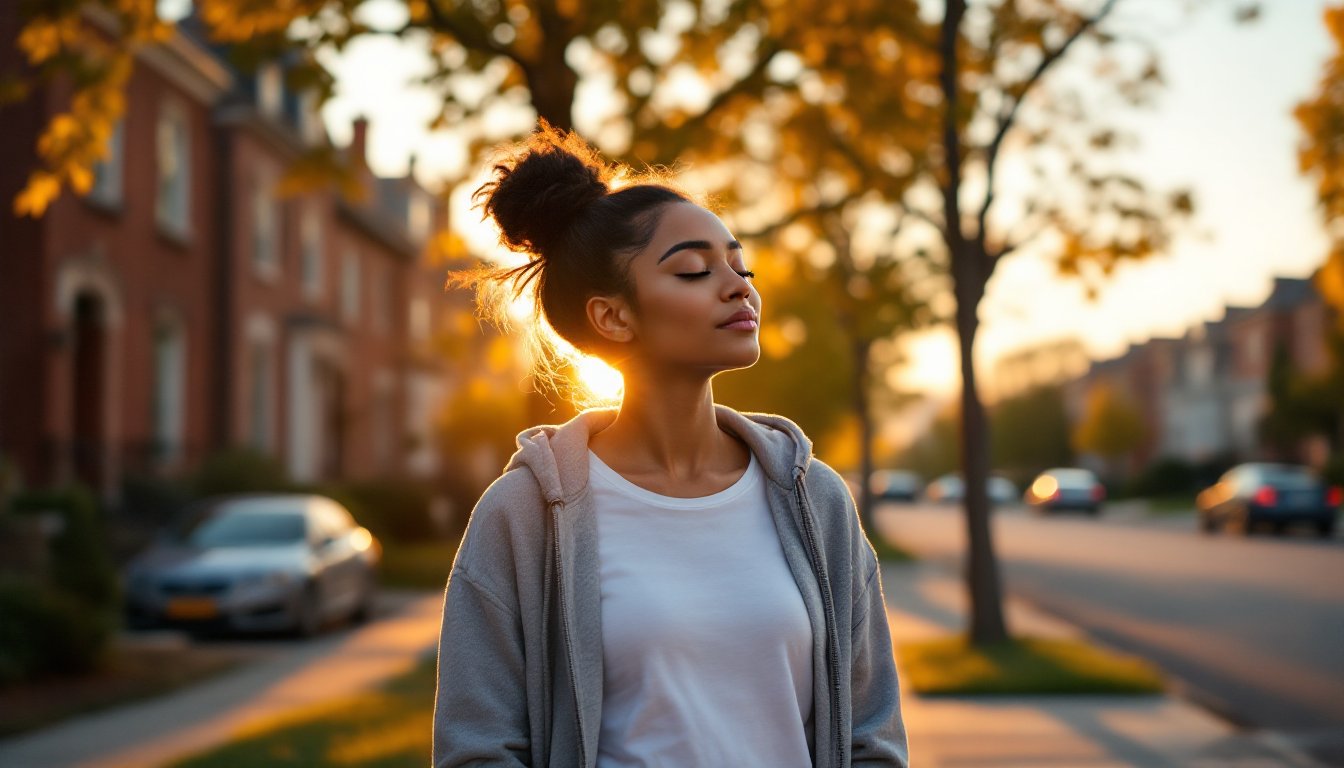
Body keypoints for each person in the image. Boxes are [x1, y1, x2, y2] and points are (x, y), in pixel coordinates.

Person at [433, 123, 908, 768]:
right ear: (614, 316)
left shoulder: (815, 498)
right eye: (693, 270)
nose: (739, 286)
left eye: (741, 266)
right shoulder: (523, 514)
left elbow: (871, 736)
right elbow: (478, 751)